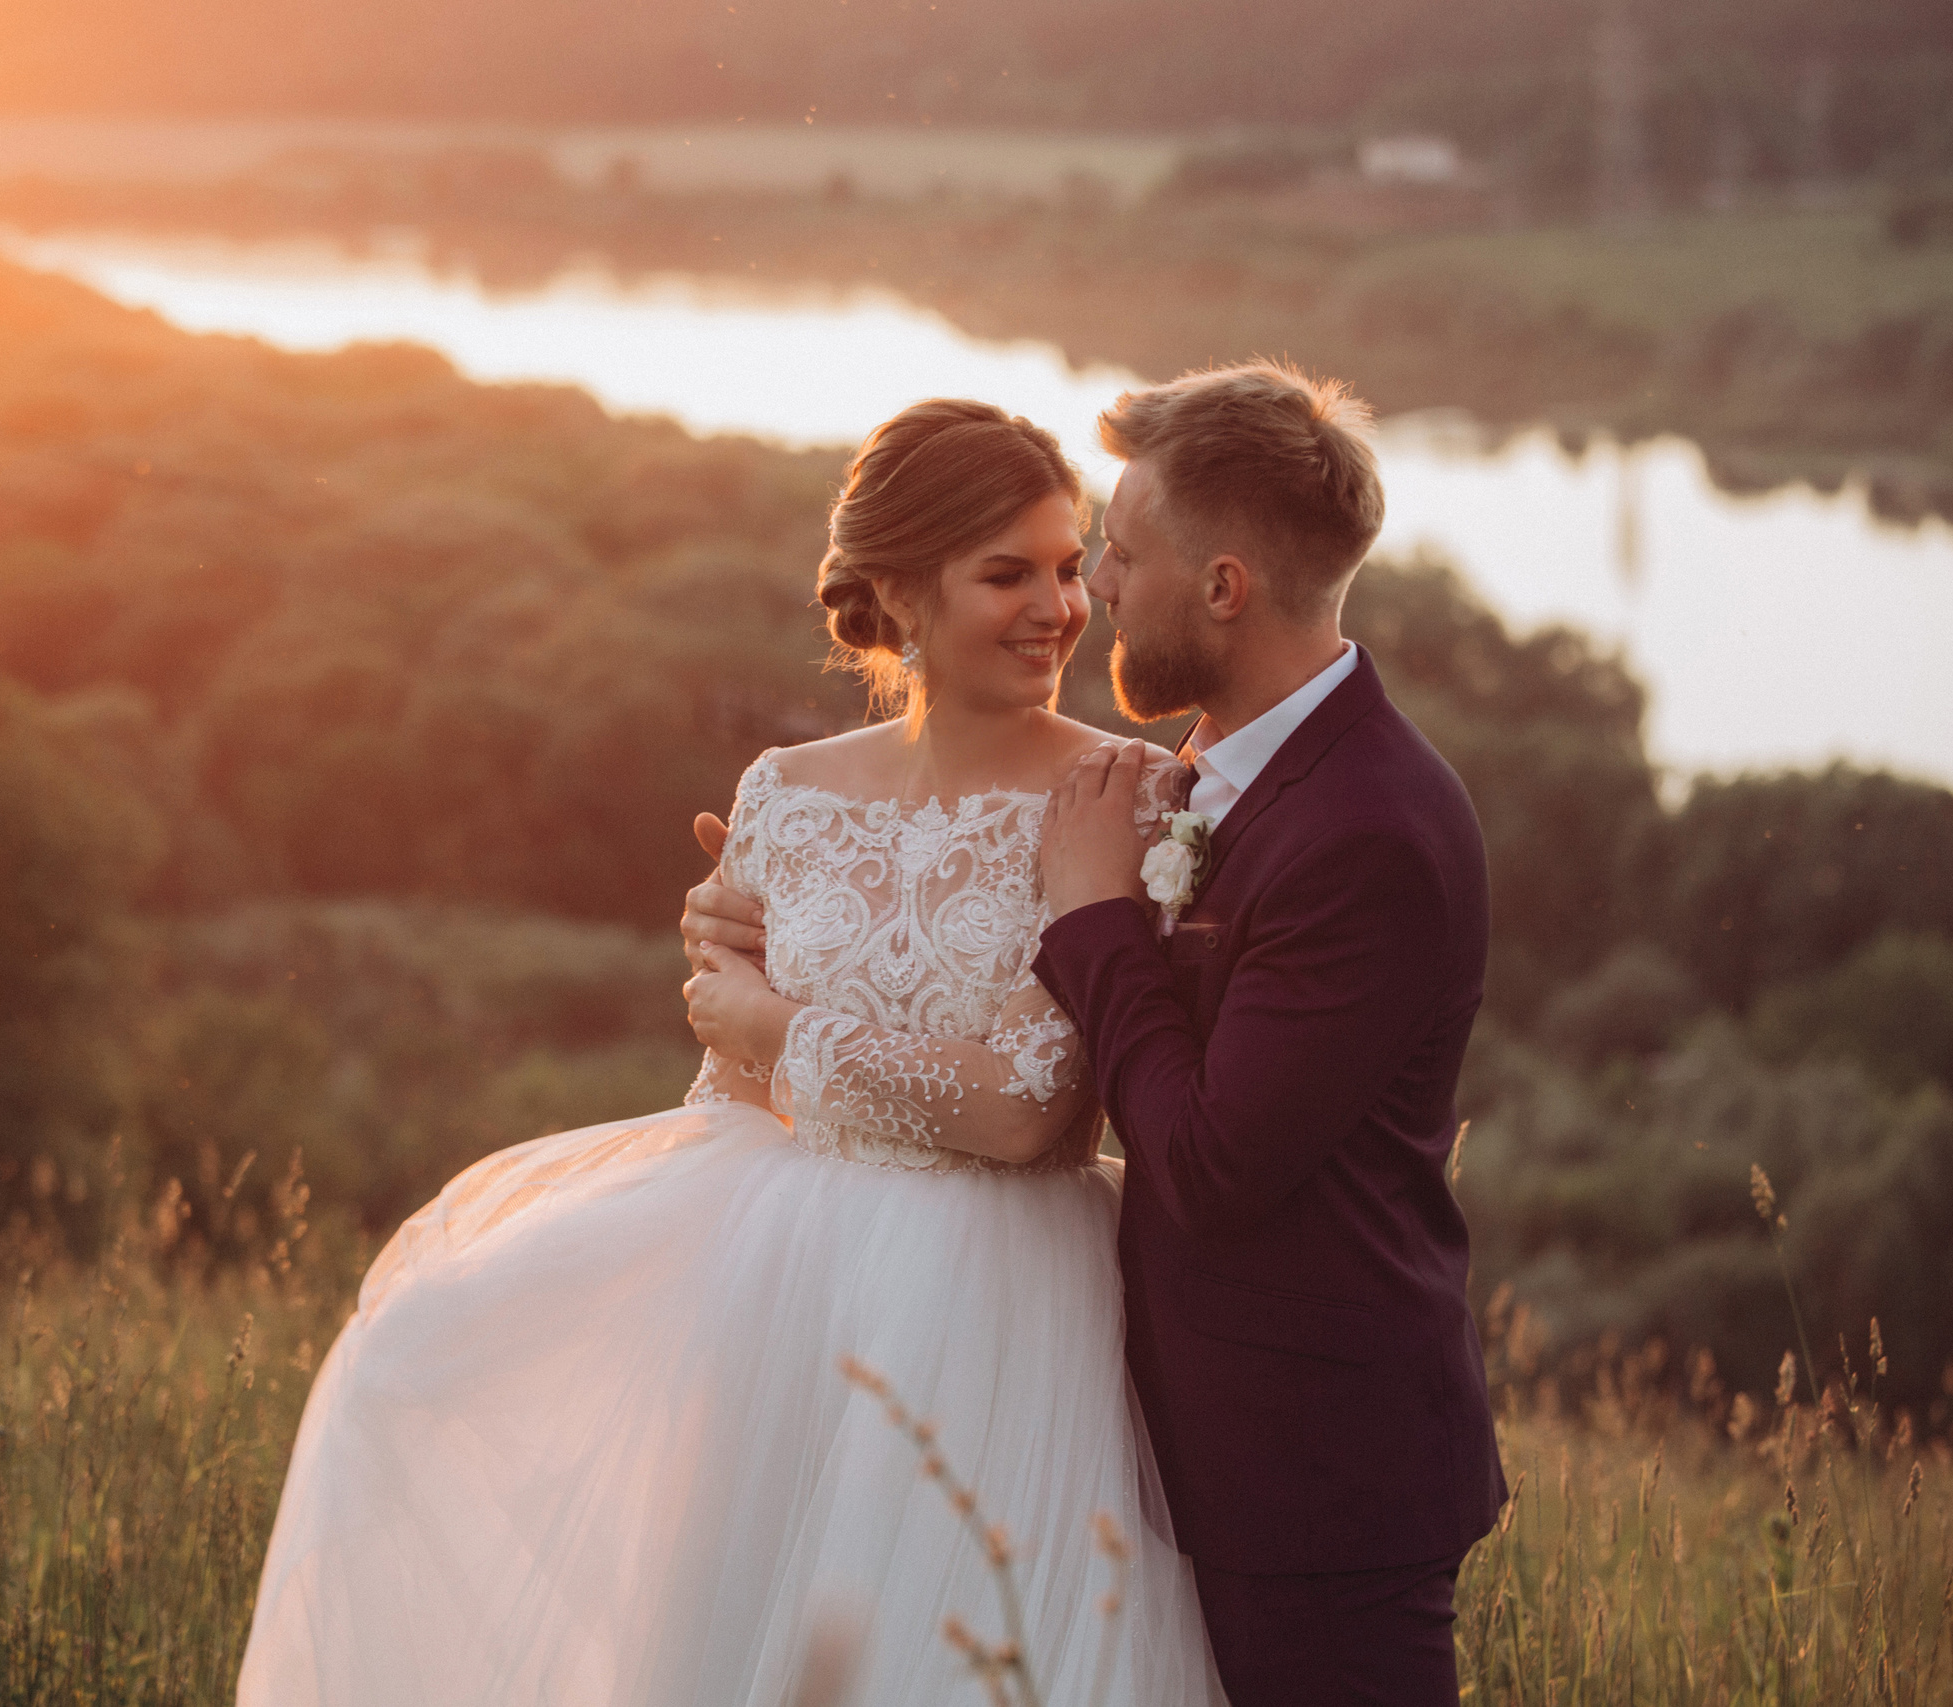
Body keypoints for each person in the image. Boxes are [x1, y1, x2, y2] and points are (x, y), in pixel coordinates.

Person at [238, 399, 1220, 1706]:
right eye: (1009, 574)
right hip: (781, 1302)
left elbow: (1026, 1114)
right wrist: (752, 1036)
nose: (1057, 606)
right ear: (902, 591)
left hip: (1000, 1312)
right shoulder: (784, 792)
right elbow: (735, 1088)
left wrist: (781, 1024)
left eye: (1064, 565)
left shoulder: (1123, 795)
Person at [690, 360, 1508, 1706]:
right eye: (1044, 568)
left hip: (1314, 1470)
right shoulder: (1207, 777)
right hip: (1103, 1401)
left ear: (1224, 587)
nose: (1092, 597)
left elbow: (1191, 1152)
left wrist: (1089, 917)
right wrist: (773, 938)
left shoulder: (1360, 828)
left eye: (1108, 557)